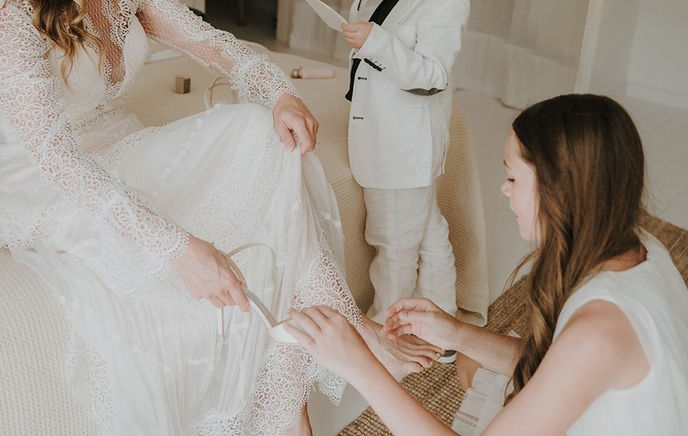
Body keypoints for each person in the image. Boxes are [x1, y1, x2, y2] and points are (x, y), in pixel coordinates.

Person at [0, 0, 438, 436]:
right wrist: (180, 249)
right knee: (237, 253)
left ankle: (337, 346)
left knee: (260, 135)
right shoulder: (1, 19)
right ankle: (350, 337)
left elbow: (214, 45)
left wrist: (281, 94)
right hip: (50, 185)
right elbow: (58, 158)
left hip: (120, 148)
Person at [286, 94, 688, 435]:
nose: (503, 189)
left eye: (513, 178)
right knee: (473, 362)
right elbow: (556, 362)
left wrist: (360, 366)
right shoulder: (640, 249)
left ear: (558, 193)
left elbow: (581, 351)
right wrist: (457, 334)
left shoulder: (599, 330)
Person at [341, 0, 470, 328]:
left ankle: (388, 329)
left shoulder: (448, 0)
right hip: (389, 137)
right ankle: (442, 323)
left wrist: (375, 41)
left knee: (393, 243)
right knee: (428, 232)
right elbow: (368, 20)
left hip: (401, 146)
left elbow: (431, 74)